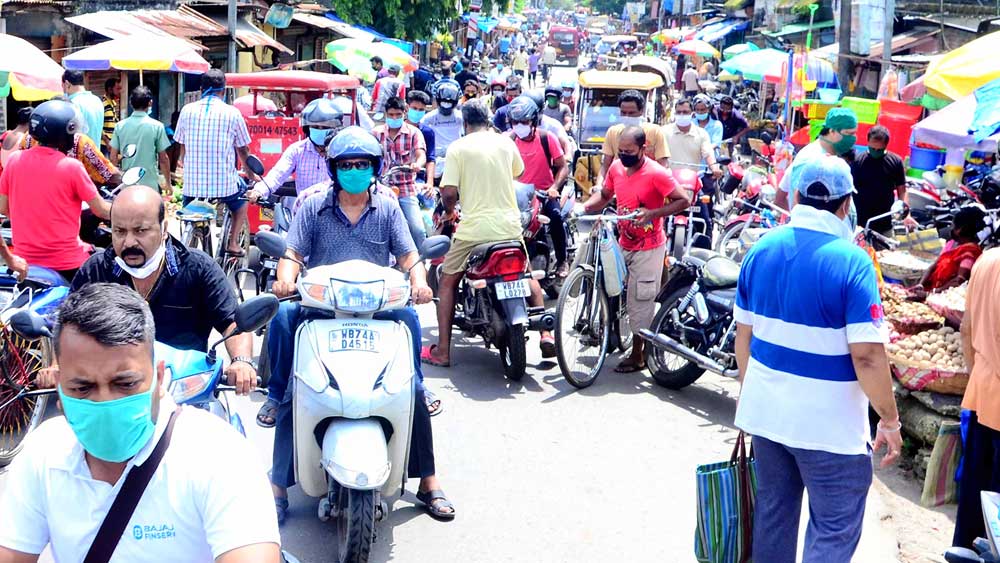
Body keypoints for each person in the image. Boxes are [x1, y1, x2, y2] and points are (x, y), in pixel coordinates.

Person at [0, 283, 281, 562]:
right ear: (59, 387)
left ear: (159, 378)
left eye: (125, 383)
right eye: (82, 388)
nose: (105, 403)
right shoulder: (43, 454)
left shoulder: (219, 454)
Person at [263, 127, 455, 522]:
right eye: (347, 165)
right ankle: (277, 479)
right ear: (334, 170)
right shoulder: (313, 205)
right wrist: (285, 277)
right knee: (284, 326)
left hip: (377, 308)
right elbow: (293, 254)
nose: (354, 171)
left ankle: (429, 480)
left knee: (407, 352)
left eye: (362, 164)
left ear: (374, 168)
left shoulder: (386, 207)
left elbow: (408, 257)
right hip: (321, 307)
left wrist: (419, 283)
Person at [733, 155, 902, 562]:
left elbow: (744, 337)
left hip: (769, 417)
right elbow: (867, 356)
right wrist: (891, 420)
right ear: (846, 206)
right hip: (831, 429)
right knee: (833, 530)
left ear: (794, 196)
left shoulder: (761, 249)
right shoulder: (852, 261)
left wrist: (751, 395)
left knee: (774, 517)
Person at [66, 183, 257, 392]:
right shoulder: (96, 270)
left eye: (140, 231)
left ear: (164, 229)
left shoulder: (199, 269)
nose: (129, 242)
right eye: (120, 231)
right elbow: (68, 325)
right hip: (113, 398)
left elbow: (232, 322)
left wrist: (241, 361)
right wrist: (57, 365)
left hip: (185, 392)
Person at [423, 100, 555, 366]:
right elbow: (518, 172)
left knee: (447, 281)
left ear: (465, 123)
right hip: (510, 227)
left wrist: (450, 212)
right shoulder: (506, 142)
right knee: (526, 275)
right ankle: (546, 334)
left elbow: (448, 192)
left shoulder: (459, 147)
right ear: (489, 120)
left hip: (474, 230)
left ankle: (443, 351)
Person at [581, 126, 690, 372]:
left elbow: (684, 200)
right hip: (623, 242)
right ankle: (611, 333)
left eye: (629, 151)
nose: (623, 155)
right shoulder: (617, 168)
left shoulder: (657, 173)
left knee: (641, 301)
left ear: (644, 148)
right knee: (611, 288)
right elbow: (606, 195)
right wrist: (584, 208)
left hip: (649, 246)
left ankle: (638, 355)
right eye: (620, 151)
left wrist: (653, 214)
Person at [0, 100, 110, 281]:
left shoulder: (14, 161)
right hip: (68, 263)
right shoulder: (71, 167)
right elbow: (100, 210)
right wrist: (124, 210)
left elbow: (3, 208)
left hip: (25, 263)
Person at [173, 69, 255, 257]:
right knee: (241, 201)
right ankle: (233, 243)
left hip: (192, 188)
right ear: (223, 90)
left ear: (201, 89)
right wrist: (251, 175)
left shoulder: (187, 110)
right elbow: (243, 150)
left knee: (189, 211)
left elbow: (181, 146)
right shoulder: (233, 113)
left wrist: (185, 166)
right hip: (224, 187)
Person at [954, 246, 1000, 548]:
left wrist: (977, 374)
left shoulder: (987, 260)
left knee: (975, 491)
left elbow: (966, 328)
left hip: (982, 392)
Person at [507, 97, 571, 277]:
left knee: (556, 217)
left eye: (524, 122)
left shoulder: (547, 138)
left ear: (533, 121)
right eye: (515, 122)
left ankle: (561, 260)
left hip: (544, 194)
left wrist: (554, 188)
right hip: (517, 196)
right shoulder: (508, 140)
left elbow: (562, 167)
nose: (520, 126)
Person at [247, 98, 345, 202]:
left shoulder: (342, 151)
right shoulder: (297, 151)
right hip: (303, 211)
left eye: (325, 127)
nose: (320, 130)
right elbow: (277, 174)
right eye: (315, 127)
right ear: (307, 129)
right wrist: (259, 191)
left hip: (334, 210)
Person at [775, 108, 858, 212]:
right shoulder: (811, 160)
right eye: (849, 134)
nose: (853, 138)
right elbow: (798, 204)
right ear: (832, 131)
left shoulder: (830, 156)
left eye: (854, 133)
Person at [374, 96, 428, 246]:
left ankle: (420, 262)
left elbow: (421, 154)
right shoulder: (376, 133)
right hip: (381, 188)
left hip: (405, 188)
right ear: (385, 114)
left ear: (404, 113)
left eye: (398, 115)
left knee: (417, 229)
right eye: (391, 115)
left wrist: (417, 164)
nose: (394, 118)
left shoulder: (414, 133)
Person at [851, 125, 916, 235]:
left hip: (884, 223)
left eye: (879, 150)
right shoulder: (857, 162)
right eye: (872, 149)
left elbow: (902, 190)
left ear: (886, 145)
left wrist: (906, 214)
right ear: (867, 142)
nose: (875, 152)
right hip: (859, 223)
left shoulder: (895, 161)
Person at [598, 90, 670, 184]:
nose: (627, 116)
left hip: (648, 184)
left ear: (641, 111)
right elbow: (605, 165)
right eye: (623, 113)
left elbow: (663, 165)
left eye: (631, 113)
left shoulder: (655, 131)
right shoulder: (613, 131)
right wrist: (598, 186)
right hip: (620, 184)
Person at [109, 86, 171, 192]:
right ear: (150, 103)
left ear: (130, 103)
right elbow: (163, 159)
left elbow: (113, 157)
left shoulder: (120, 126)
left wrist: (118, 179)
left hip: (127, 185)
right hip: (150, 185)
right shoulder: (157, 126)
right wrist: (168, 183)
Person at [920, 206, 985, 292]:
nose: (950, 228)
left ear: (960, 229)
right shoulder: (951, 244)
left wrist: (933, 292)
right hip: (931, 290)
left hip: (945, 297)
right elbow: (933, 266)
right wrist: (920, 285)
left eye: (952, 225)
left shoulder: (970, 252)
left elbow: (959, 281)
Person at [663, 99, 722, 181]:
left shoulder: (702, 134)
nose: (682, 115)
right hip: (669, 180)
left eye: (685, 112)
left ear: (692, 114)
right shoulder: (664, 132)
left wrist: (714, 168)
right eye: (679, 112)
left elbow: (708, 154)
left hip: (693, 180)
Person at [420, 82, 464, 184]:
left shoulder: (460, 117)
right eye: (444, 102)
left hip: (455, 154)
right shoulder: (429, 118)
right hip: (436, 155)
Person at [62, 70, 104, 145]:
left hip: (78, 155)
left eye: (62, 86)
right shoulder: (97, 100)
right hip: (95, 153)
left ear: (67, 84)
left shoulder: (72, 104)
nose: (63, 90)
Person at [406, 90, 437, 188]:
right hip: (395, 176)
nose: (417, 112)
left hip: (417, 178)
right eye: (414, 108)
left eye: (421, 110)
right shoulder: (397, 129)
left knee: (429, 202)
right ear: (407, 107)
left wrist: (429, 183)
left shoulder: (427, 132)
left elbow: (430, 159)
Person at [0, 107, 31, 172]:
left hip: (4, 176)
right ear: (30, 123)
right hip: (15, 176)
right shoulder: (25, 139)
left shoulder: (5, 135)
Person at [101, 77, 121, 155]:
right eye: (117, 89)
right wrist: (107, 141)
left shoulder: (112, 104)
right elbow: (99, 126)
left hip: (110, 144)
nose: (119, 91)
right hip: (104, 145)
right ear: (110, 89)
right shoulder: (103, 104)